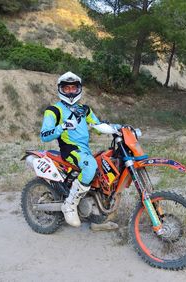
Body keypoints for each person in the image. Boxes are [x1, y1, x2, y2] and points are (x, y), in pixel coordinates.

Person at [40, 71, 118, 227]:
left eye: (73, 88)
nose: (70, 91)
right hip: (69, 150)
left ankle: (97, 211)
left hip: (84, 151)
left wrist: (118, 128)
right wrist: (62, 127)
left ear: (79, 89)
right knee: (90, 167)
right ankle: (69, 205)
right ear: (60, 89)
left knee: (106, 169)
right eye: (66, 88)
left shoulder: (84, 110)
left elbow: (97, 126)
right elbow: (44, 135)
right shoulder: (54, 110)